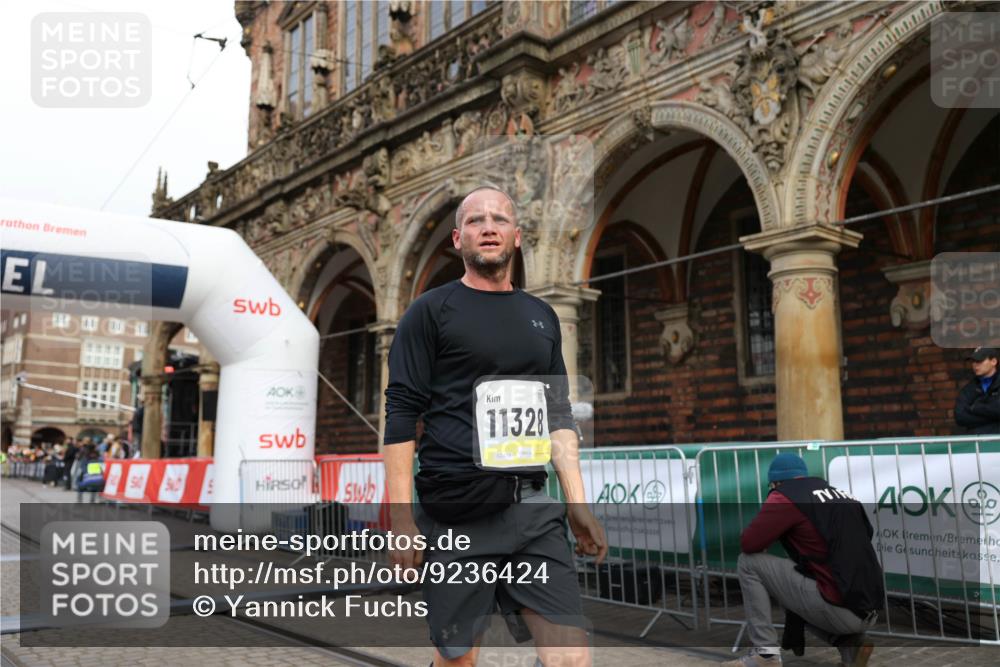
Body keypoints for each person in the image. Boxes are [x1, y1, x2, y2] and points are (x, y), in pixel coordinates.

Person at [384, 186, 607, 667]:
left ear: (517, 236)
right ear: (457, 238)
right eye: (476, 220)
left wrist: (577, 504)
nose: (489, 227)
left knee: (572, 656)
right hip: (458, 513)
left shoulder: (541, 316)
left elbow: (559, 415)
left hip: (533, 510)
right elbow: (401, 411)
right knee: (458, 659)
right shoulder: (429, 312)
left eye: (500, 219)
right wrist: (401, 518)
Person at [723, 453, 883, 667]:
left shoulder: (784, 496)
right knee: (796, 576)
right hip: (869, 609)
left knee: (748, 563)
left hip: (839, 606)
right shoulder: (841, 494)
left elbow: (750, 544)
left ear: (775, 482)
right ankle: (851, 645)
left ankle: (765, 655)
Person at [954, 347, 1000, 435]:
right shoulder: (968, 388)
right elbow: (960, 416)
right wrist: (994, 416)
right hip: (977, 443)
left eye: (979, 361)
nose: (975, 365)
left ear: (993, 361)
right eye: (973, 361)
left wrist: (975, 407)